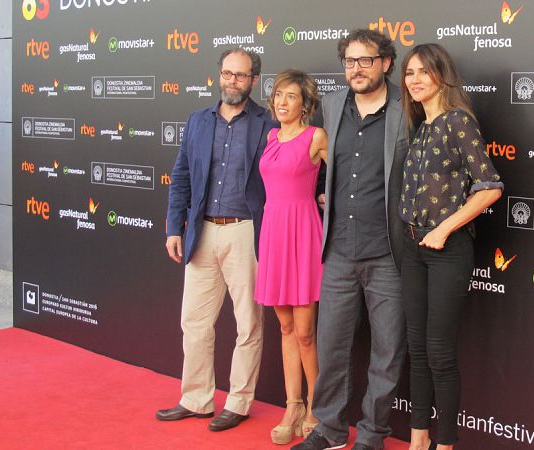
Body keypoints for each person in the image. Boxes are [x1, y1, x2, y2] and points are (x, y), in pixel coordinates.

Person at [292, 29, 408, 450]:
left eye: (365, 60)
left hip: (389, 253)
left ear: (386, 63)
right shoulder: (332, 104)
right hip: (338, 248)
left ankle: (373, 435)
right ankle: (329, 429)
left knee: (387, 351)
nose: (356, 69)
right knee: (333, 346)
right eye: (350, 62)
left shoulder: (406, 107)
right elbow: (321, 163)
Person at [157, 48, 277, 432]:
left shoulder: (268, 123)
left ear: (254, 80)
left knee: (249, 324)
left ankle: (240, 401)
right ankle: (196, 398)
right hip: (202, 230)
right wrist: (175, 227)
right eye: (227, 73)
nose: (232, 81)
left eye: (240, 75)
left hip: (246, 231)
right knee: (194, 321)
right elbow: (181, 178)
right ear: (219, 75)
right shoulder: (197, 121)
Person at [399, 43, 503, 450]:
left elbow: (490, 187)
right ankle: (417, 440)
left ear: (443, 74)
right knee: (418, 348)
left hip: (447, 250)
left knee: (439, 351)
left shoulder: (458, 121)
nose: (416, 80)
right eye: (409, 73)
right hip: (412, 250)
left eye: (424, 71)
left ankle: (445, 444)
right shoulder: (421, 127)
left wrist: (444, 229)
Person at [254, 69, 327, 445]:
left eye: (291, 96)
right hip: (273, 235)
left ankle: (317, 407)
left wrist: (328, 197)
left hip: (303, 235)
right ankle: (293, 405)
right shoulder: (270, 137)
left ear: (305, 104)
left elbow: (347, 174)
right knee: (284, 328)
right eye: (278, 95)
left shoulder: (316, 137)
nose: (282, 102)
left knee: (305, 331)